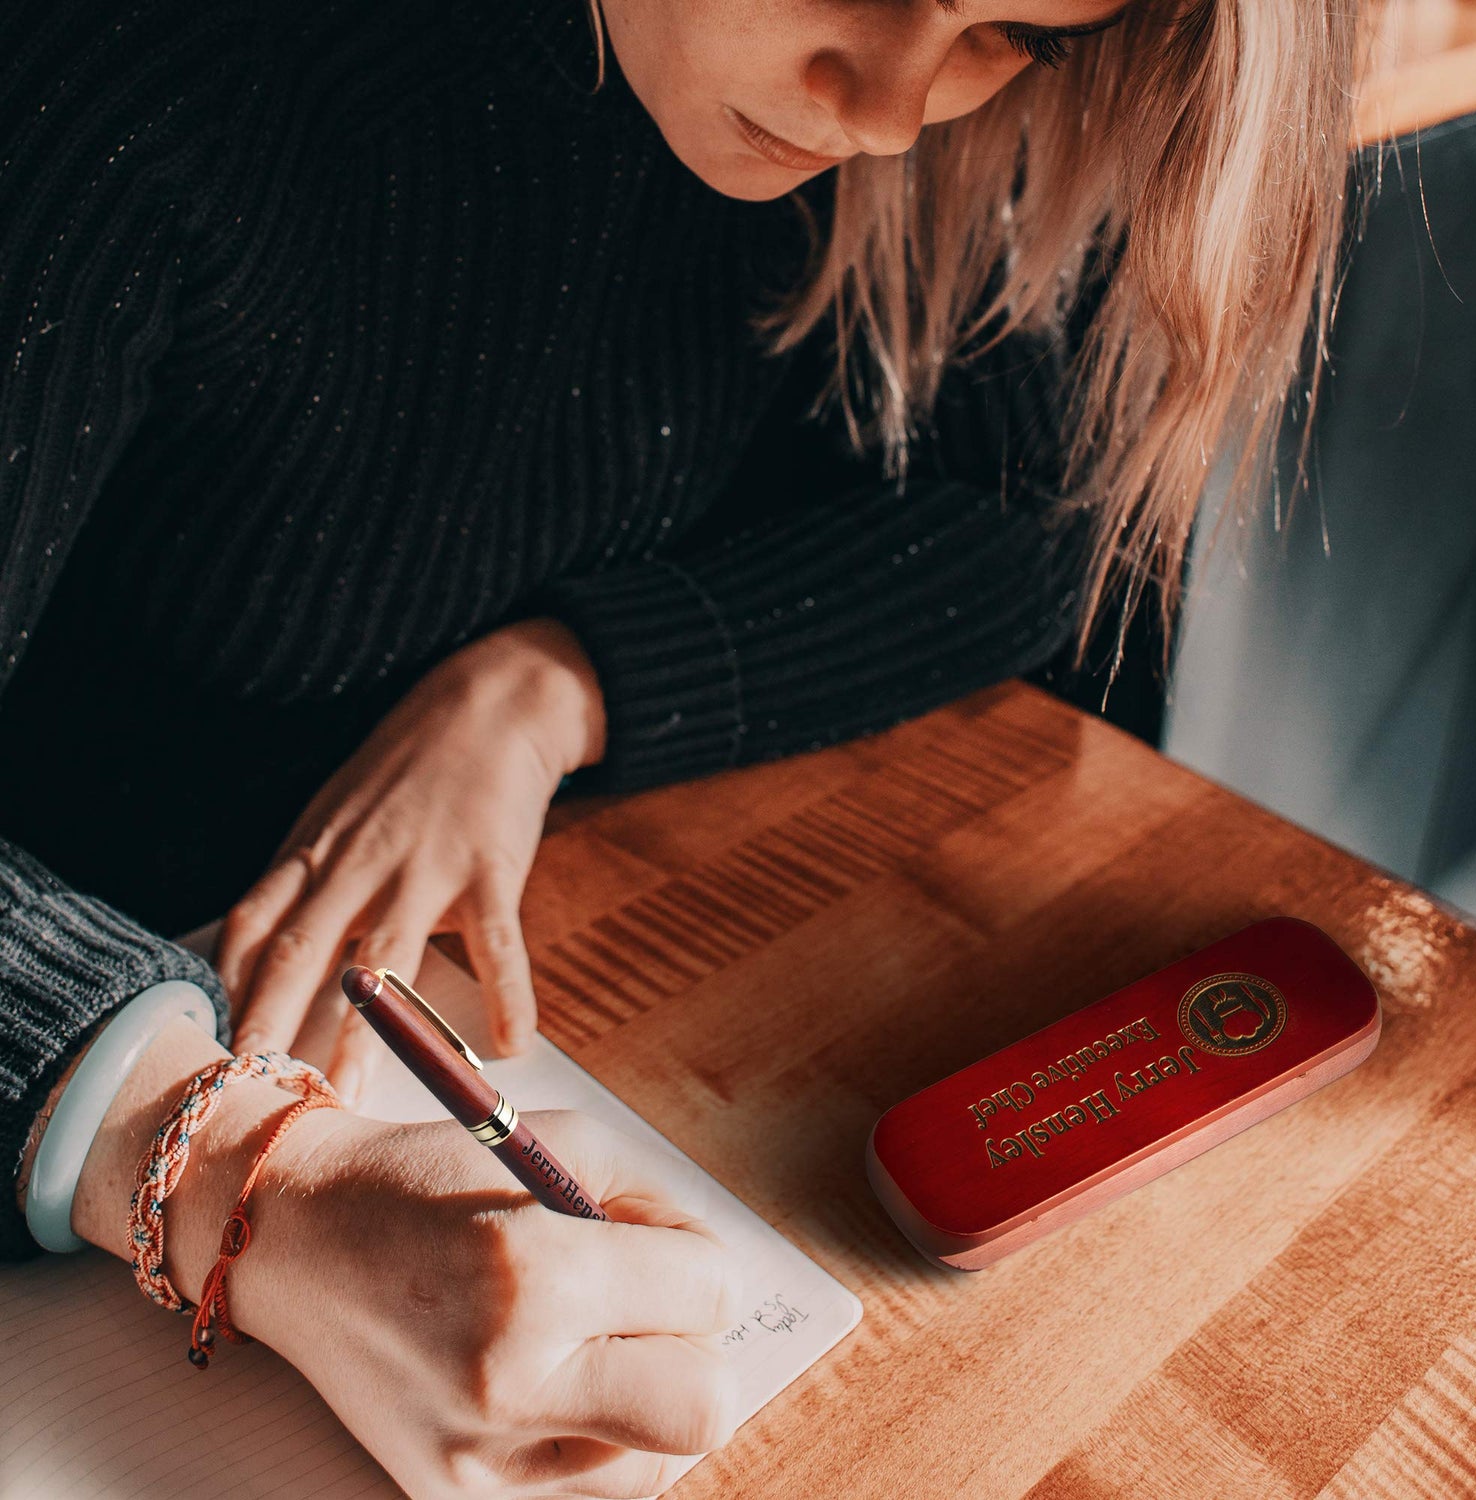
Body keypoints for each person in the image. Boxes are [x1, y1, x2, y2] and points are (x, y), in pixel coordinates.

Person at [1, 0, 1360, 1493]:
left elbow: (1033, 512)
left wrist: (558, 684)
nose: (895, 111)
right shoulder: (125, 70)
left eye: (1018, 36)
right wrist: (225, 1174)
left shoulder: (878, 142)